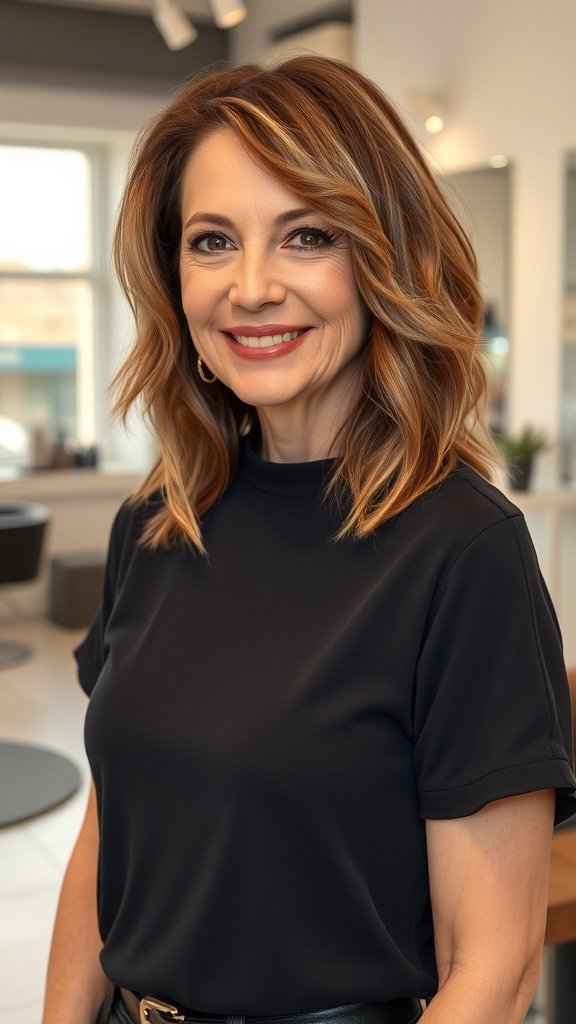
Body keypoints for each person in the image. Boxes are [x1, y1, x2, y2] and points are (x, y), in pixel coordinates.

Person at [42, 56, 575, 1024]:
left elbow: (492, 972)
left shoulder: (462, 551)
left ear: (383, 259)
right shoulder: (157, 522)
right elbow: (107, 830)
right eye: (212, 241)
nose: (251, 287)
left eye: (307, 236)